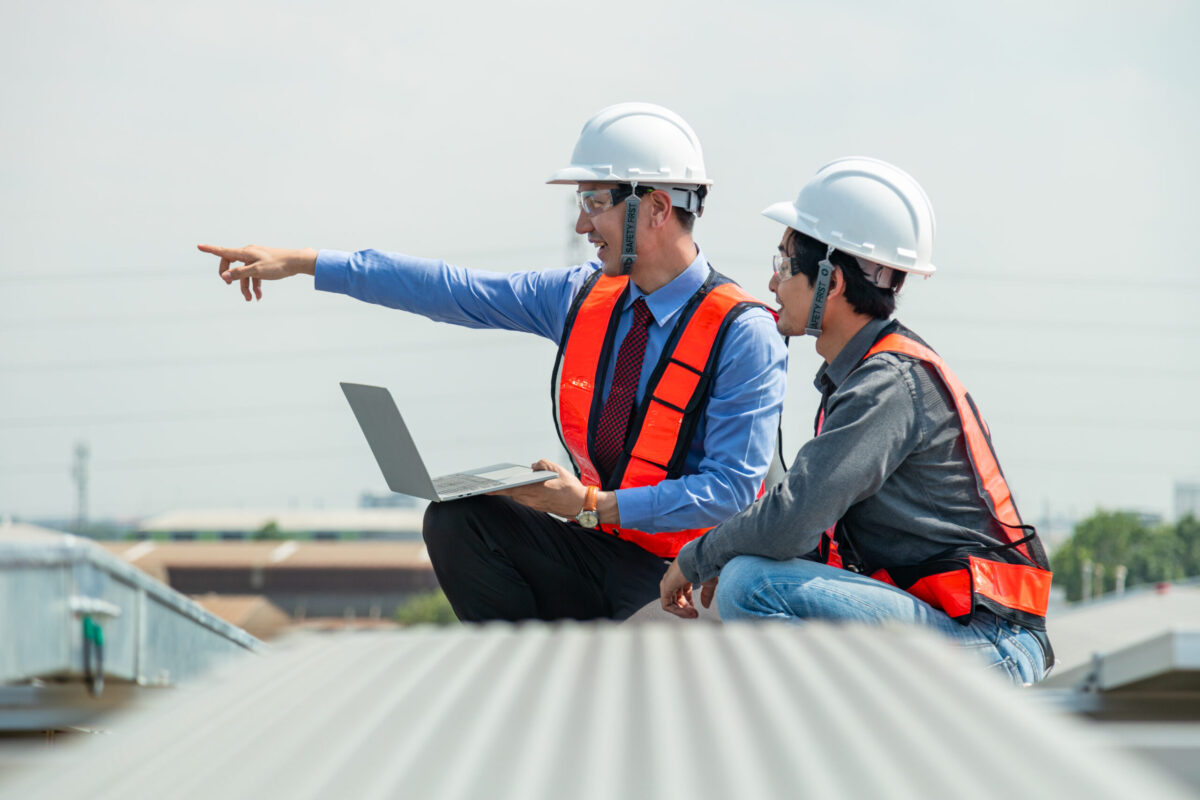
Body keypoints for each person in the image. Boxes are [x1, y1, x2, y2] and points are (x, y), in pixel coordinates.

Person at [200, 102, 788, 623]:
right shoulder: (580, 296)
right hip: (596, 549)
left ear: (656, 208)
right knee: (459, 522)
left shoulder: (744, 334)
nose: (582, 224)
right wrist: (306, 262)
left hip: (684, 579)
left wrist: (590, 505)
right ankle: (522, 693)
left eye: (594, 203)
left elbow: (731, 490)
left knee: (643, 661)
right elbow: (451, 289)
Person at [659, 157, 1054, 685]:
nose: (773, 281)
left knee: (748, 586)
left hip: (990, 643)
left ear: (831, 281)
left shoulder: (887, 384)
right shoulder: (868, 376)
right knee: (744, 572)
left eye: (783, 263)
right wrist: (729, 550)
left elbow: (793, 517)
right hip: (960, 630)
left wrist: (698, 556)